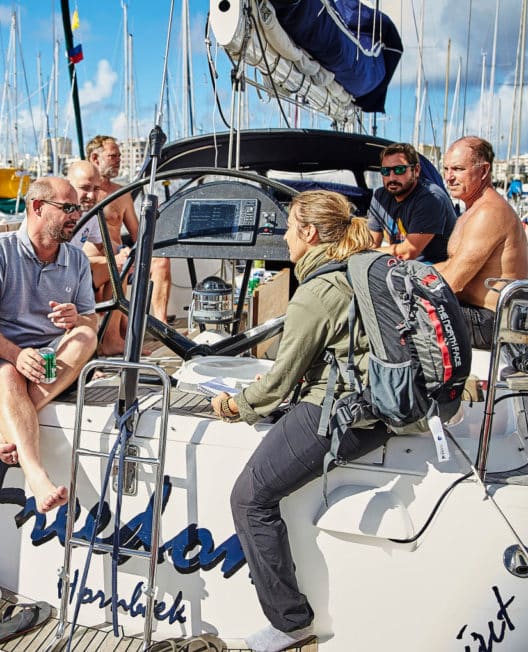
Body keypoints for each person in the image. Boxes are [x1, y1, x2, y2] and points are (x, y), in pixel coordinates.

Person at [210, 190, 391, 652]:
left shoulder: (316, 292)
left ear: (309, 233)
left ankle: (290, 624)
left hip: (343, 410)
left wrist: (232, 407)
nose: (285, 237)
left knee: (250, 498)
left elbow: (275, 387)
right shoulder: (363, 266)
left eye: (290, 229)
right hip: (382, 407)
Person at [0, 176, 98, 512]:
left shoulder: (77, 259)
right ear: (37, 207)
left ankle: (5, 432)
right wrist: (16, 354)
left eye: (77, 209)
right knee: (8, 374)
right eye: (67, 208)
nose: (75, 215)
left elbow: (90, 322)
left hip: (49, 355)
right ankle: (37, 477)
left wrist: (76, 319)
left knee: (86, 336)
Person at [434, 136, 528, 349]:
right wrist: (412, 271)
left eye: (458, 169)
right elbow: (451, 265)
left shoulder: (489, 212)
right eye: (446, 169)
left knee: (397, 309)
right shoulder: (474, 209)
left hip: (490, 322)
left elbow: (452, 281)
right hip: (476, 313)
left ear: (484, 171)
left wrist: (404, 287)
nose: (449, 177)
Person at [87, 134, 175, 324]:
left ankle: (161, 325)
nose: (119, 160)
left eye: (120, 156)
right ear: (95, 158)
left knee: (161, 262)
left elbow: (137, 234)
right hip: (94, 260)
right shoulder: (83, 193)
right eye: (113, 156)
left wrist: (142, 255)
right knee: (117, 267)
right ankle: (113, 334)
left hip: (122, 256)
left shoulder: (122, 193)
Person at [67, 159, 130, 355]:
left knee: (119, 267)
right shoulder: (57, 213)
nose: (91, 195)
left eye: (95, 189)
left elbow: (104, 245)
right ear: (68, 185)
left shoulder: (90, 215)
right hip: (53, 275)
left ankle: (111, 340)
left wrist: (124, 253)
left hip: (76, 271)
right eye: (84, 188)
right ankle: (85, 353)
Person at [367, 142, 456, 264]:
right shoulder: (380, 197)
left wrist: (365, 255)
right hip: (400, 266)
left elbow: (408, 252)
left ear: (416, 170)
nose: (392, 178)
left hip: (433, 271)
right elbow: (372, 242)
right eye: (386, 171)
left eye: (399, 170)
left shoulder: (431, 198)